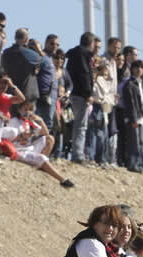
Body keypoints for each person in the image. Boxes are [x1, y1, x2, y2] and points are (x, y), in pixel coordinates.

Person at [6, 99, 74, 187]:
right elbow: (7, 139)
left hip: (29, 148)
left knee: (50, 139)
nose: (27, 112)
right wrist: (21, 136)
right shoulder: (14, 121)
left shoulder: (29, 122)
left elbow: (46, 134)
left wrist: (41, 121)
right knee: (41, 157)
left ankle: (42, 165)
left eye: (30, 110)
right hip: (19, 150)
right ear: (19, 110)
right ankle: (62, 179)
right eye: (25, 109)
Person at [65, 32, 95, 163]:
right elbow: (84, 75)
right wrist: (88, 93)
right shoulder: (83, 55)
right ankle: (78, 155)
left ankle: (77, 153)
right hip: (81, 94)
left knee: (77, 124)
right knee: (81, 126)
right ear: (91, 43)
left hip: (74, 92)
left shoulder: (73, 54)